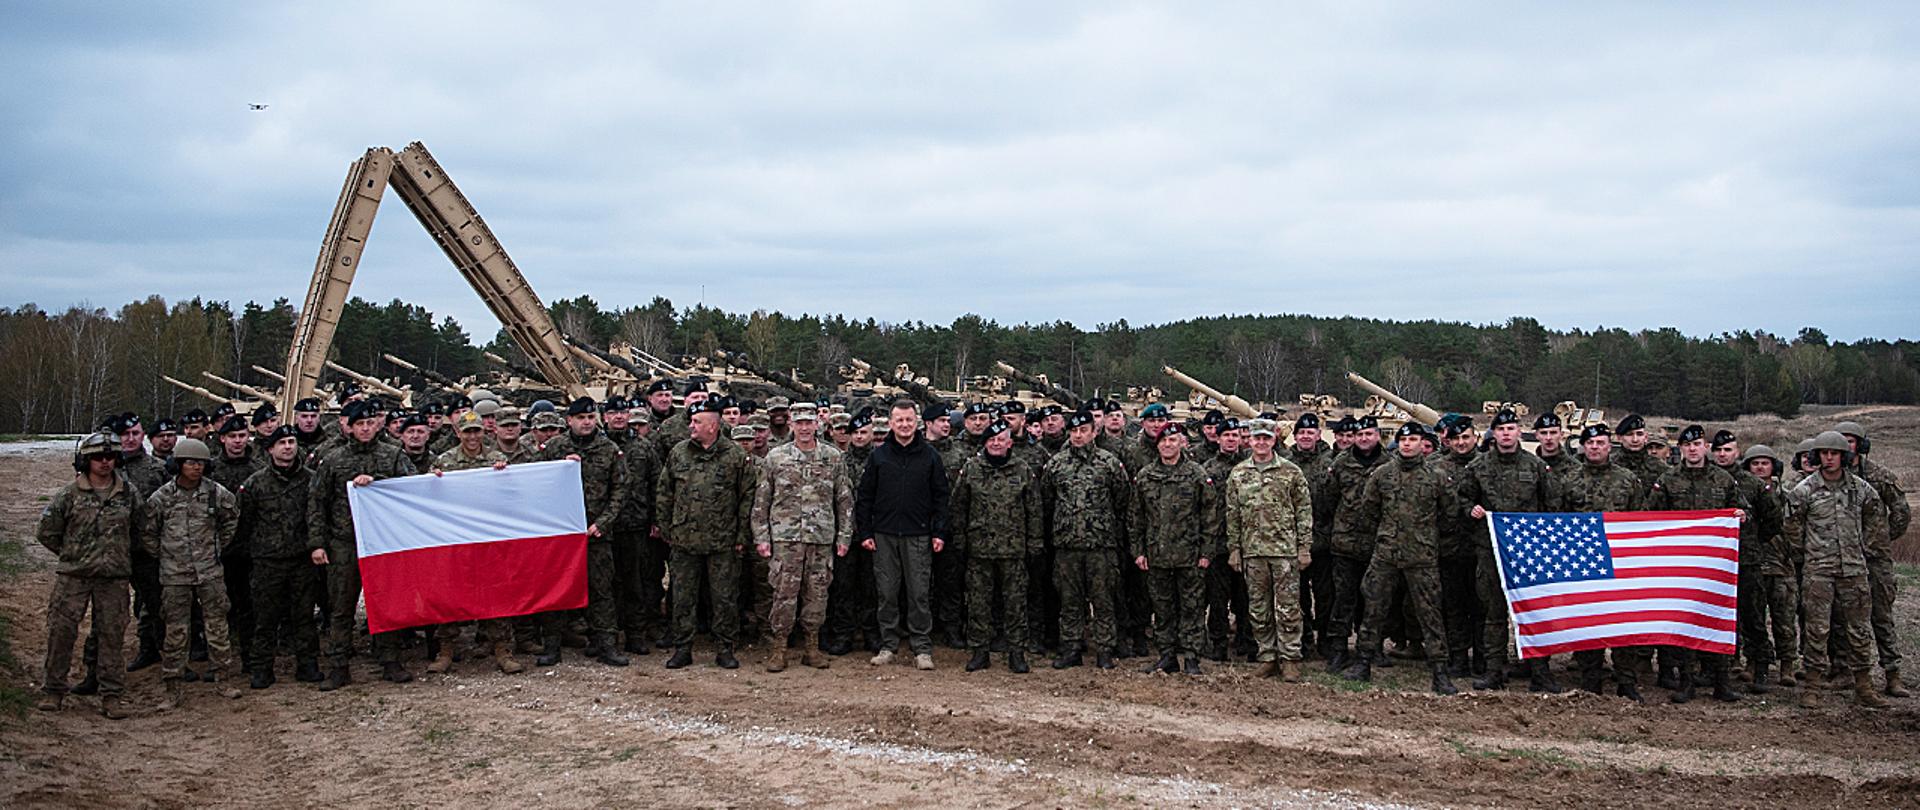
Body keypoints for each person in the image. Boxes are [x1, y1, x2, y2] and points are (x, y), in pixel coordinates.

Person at [309, 399, 420, 690]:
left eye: (371, 423)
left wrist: (378, 482)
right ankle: (338, 666)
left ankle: (390, 659)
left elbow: (412, 488)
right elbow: (317, 503)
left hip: (383, 542)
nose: (366, 428)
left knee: (385, 603)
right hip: (344, 543)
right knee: (341, 607)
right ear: (350, 427)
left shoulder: (393, 455)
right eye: (360, 424)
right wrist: (317, 544)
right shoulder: (333, 460)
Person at [1344, 423, 1459, 694]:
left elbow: (1450, 514)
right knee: (1373, 609)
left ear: (1422, 443)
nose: (1407, 444)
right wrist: (1387, 536)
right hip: (1386, 555)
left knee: (1430, 614)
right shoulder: (1382, 474)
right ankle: (1363, 662)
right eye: (1403, 439)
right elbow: (1368, 510)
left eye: (1413, 439)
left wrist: (1426, 538)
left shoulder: (1436, 476)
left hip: (1422, 557)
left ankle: (1440, 671)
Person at [36, 432, 142, 718]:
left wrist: (120, 554)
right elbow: (46, 531)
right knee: (61, 631)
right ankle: (53, 689)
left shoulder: (128, 494)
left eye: (110, 457)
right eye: (97, 457)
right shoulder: (69, 494)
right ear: (86, 461)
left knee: (112, 635)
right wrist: (71, 555)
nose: (104, 462)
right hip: (74, 576)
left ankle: (111, 695)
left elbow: (141, 529)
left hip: (114, 576)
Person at [1645, 424, 1750, 703]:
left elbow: (1743, 509)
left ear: (1706, 447)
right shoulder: (1668, 480)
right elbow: (1650, 516)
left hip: (1716, 564)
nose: (1692, 449)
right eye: (1687, 445)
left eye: (1697, 444)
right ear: (1680, 449)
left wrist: (1740, 516)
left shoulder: (1723, 479)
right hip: (1681, 564)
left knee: (1718, 619)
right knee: (1685, 622)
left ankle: (1721, 682)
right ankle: (1687, 681)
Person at [1461, 408, 1563, 693]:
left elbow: (1552, 505)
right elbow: (1462, 499)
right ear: (1493, 433)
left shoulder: (1536, 466)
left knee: (1534, 613)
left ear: (1519, 431)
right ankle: (1494, 671)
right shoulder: (1478, 467)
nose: (1506, 434)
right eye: (1501, 429)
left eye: (1511, 428)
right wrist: (1471, 509)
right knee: (1494, 614)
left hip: (1528, 553)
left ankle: (1539, 671)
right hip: (1491, 552)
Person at [142, 437, 242, 708]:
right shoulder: (162, 497)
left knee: (217, 627)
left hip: (209, 571)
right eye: (190, 463)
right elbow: (148, 533)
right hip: (174, 574)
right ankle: (173, 686)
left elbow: (230, 522)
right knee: (176, 630)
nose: (196, 468)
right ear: (178, 465)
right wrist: (167, 554)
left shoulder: (216, 493)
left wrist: (215, 548)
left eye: (200, 463)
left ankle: (223, 679)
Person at [752, 403, 852, 672]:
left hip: (820, 538)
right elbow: (762, 500)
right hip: (786, 539)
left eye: (809, 422)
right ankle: (779, 648)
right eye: (800, 423)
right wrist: (761, 536)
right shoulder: (776, 457)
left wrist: (844, 536)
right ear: (791, 425)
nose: (805, 428)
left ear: (817, 425)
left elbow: (844, 499)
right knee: (783, 594)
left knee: (817, 594)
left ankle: (811, 647)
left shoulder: (832, 457)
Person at [657, 400, 756, 669]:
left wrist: (741, 537)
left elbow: (746, 499)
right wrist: (666, 528)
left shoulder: (735, 456)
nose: (691, 426)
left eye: (697, 422)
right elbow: (665, 492)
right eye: (691, 421)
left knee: (724, 598)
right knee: (682, 597)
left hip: (722, 542)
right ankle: (682, 648)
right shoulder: (679, 453)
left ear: (713, 426)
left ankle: (725, 648)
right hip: (684, 540)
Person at [855, 400, 951, 671]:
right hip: (884, 535)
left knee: (919, 594)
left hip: (918, 535)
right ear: (891, 423)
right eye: (899, 420)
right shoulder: (879, 456)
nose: (905, 425)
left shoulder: (930, 456)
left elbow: (941, 498)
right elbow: (865, 497)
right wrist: (866, 531)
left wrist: (939, 531)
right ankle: (888, 645)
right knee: (887, 593)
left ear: (916, 422)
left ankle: (922, 647)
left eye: (909, 420)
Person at [537, 397, 630, 667]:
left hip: (595, 532)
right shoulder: (555, 448)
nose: (587, 422)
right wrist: (560, 468)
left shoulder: (609, 449)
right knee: (556, 588)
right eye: (581, 418)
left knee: (602, 590)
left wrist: (603, 522)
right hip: (561, 535)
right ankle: (552, 646)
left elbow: (620, 489)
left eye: (590, 417)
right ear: (569, 421)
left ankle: (606, 645)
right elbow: (538, 483)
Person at [1130, 423, 1223, 676]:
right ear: (1157, 444)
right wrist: (1138, 551)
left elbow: (1210, 516)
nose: (1167, 445)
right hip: (1157, 554)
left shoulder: (1196, 474)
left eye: (1172, 440)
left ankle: (1191, 657)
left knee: (1192, 607)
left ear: (1181, 443)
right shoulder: (1146, 476)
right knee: (1162, 609)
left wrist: (1207, 552)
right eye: (1163, 441)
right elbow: (1136, 517)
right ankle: (1167, 656)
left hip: (1190, 555)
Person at [1041, 409, 1131, 670]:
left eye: (1083, 431)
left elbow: (1122, 499)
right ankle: (1071, 647)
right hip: (1067, 545)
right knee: (1070, 600)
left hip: (1100, 546)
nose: (1078, 435)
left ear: (1094, 432)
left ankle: (1105, 649)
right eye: (1074, 431)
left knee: (1103, 599)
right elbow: (1047, 500)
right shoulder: (1056, 464)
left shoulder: (1109, 463)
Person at [1226, 418, 1314, 681]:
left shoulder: (1291, 471)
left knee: (1288, 608)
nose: (1261, 443)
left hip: (1284, 551)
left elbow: (1303, 511)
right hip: (1253, 551)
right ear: (1250, 440)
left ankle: (1290, 658)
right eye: (1257, 438)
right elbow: (1233, 514)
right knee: (1258, 608)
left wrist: (1304, 547)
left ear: (1274, 440)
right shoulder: (1238, 473)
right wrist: (1234, 549)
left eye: (1266, 438)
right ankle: (1267, 656)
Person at [951, 418, 1043, 673]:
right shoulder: (972, 468)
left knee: (1015, 603)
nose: (995, 443)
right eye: (991, 439)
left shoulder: (1022, 469)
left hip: (1014, 549)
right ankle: (980, 651)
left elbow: (1034, 509)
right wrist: (959, 540)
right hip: (979, 549)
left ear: (1009, 443)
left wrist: (1035, 543)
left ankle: (1017, 652)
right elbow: (959, 506)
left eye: (1001, 439)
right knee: (978, 603)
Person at [237, 426, 323, 689]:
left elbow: (318, 515)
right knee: (265, 618)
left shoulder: (311, 479)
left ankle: (307, 664)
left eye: (291, 441)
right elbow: (245, 524)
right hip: (268, 562)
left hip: (302, 560)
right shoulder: (255, 483)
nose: (288, 447)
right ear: (270, 449)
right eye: (282, 443)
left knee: (304, 616)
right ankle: (261, 668)